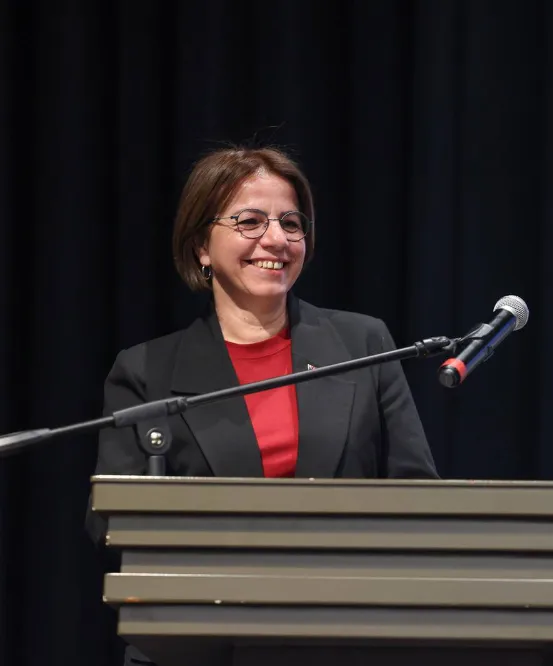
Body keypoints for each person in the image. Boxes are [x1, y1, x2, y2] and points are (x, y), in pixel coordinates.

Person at [87, 145, 438, 534]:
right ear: (202, 246)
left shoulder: (363, 343)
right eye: (250, 221)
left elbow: (418, 493)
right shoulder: (145, 372)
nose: (277, 239)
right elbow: (111, 523)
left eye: (291, 223)